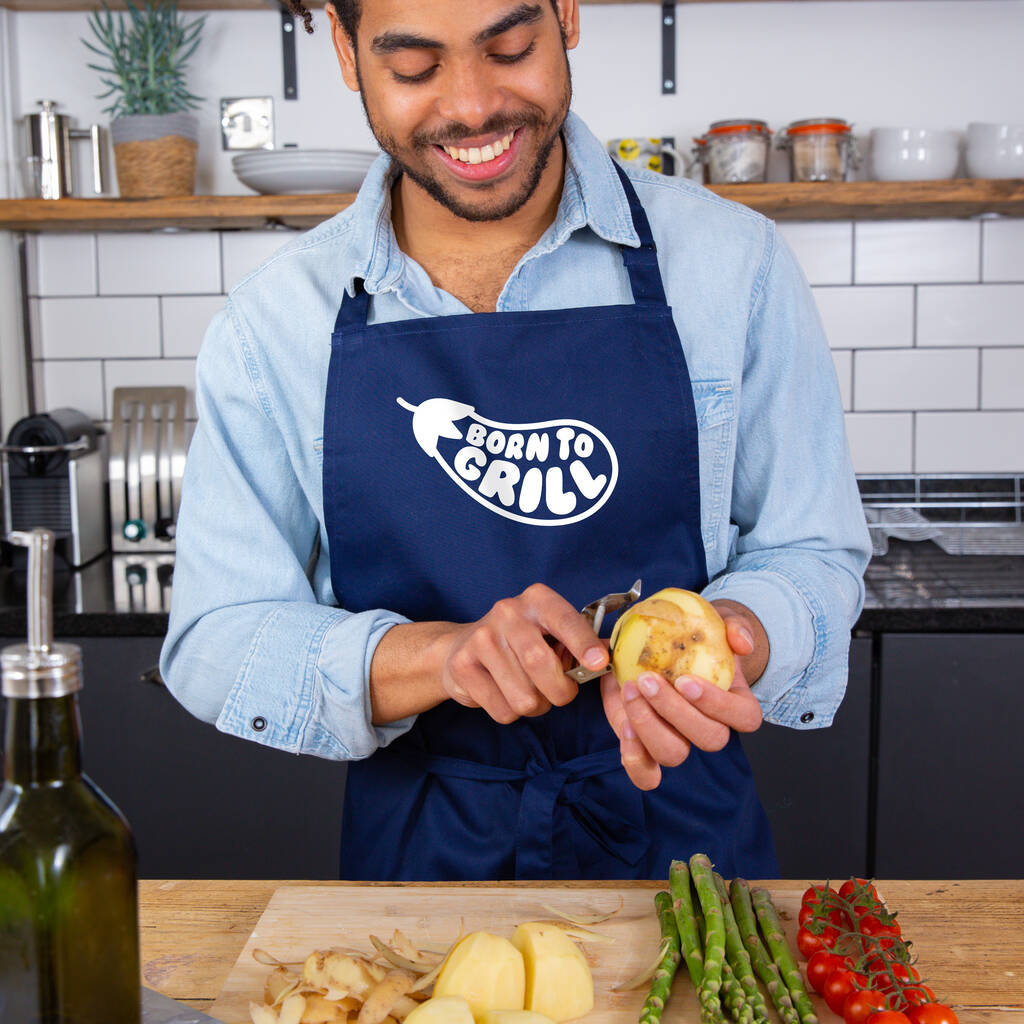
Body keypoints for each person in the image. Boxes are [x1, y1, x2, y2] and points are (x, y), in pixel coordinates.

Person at [160, 0, 871, 882]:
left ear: (566, 14)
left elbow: (812, 548)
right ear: (346, 51)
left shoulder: (734, 266)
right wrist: (443, 657)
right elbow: (216, 633)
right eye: (415, 67)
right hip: (421, 858)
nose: (469, 106)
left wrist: (733, 635)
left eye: (509, 47)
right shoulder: (276, 322)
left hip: (686, 840)